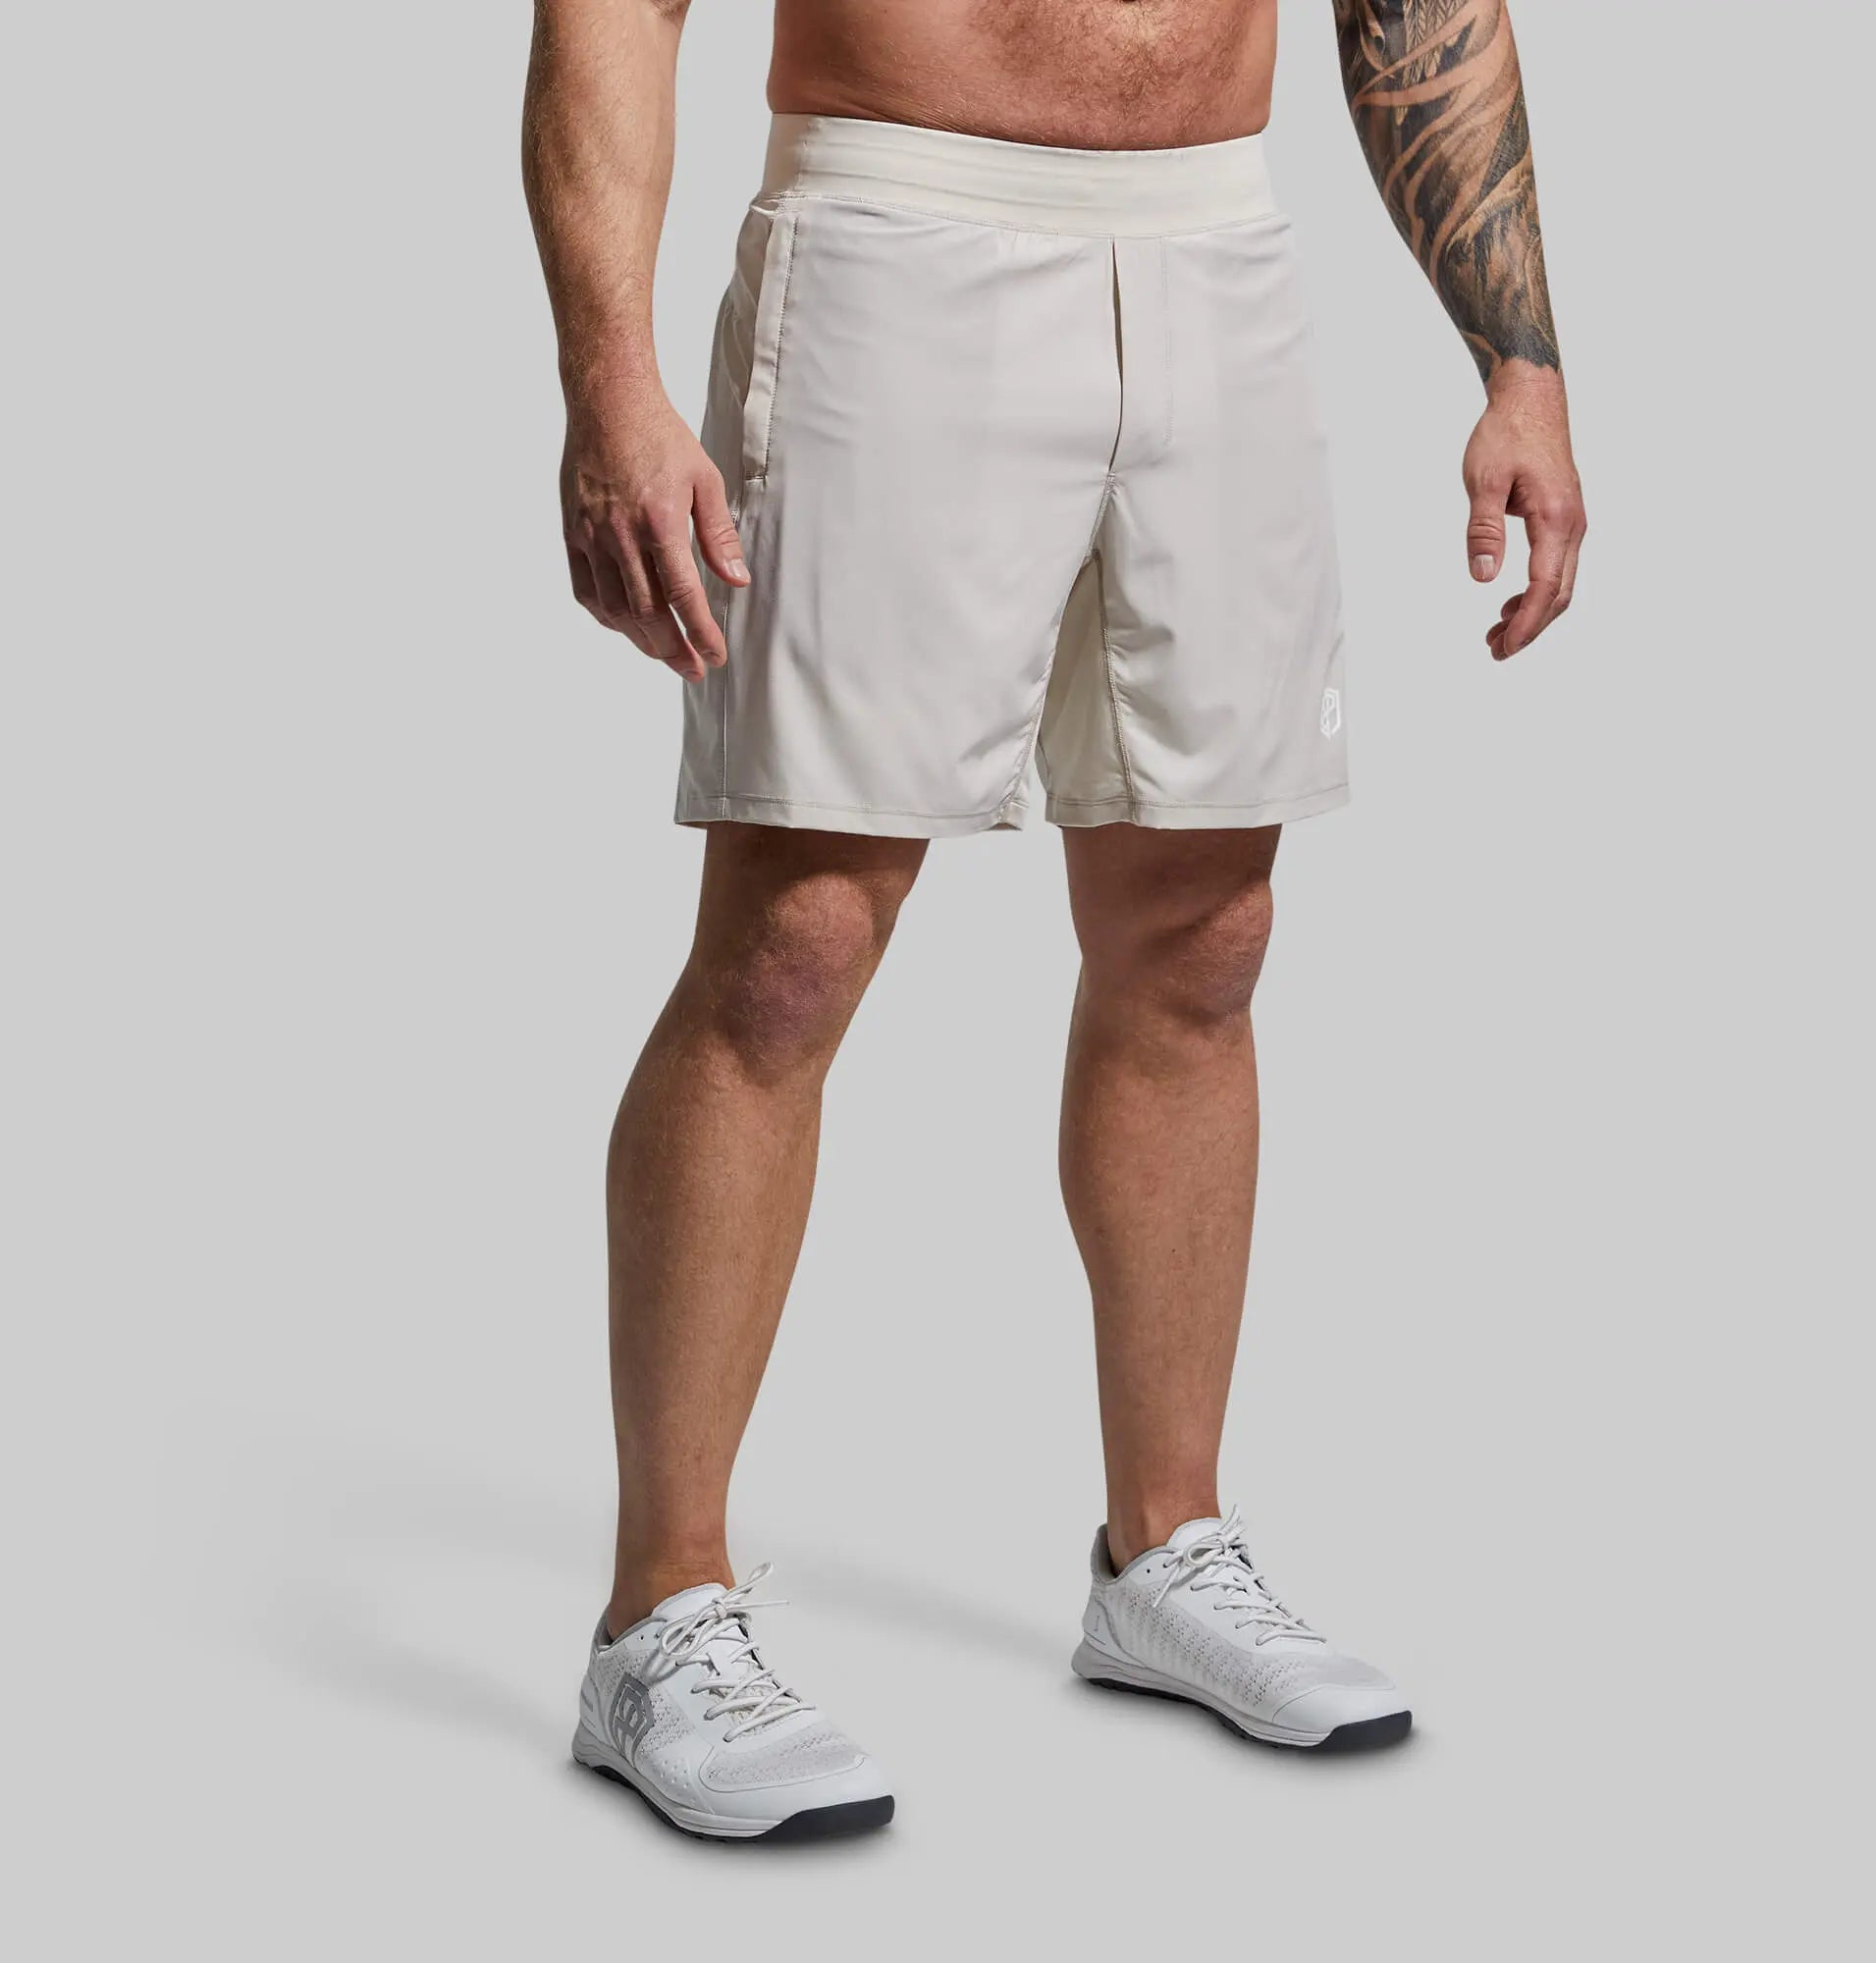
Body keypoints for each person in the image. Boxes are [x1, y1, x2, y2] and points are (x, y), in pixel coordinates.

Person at [522, 0, 1584, 1840]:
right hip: (894, 233)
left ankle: (1163, 1552)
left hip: (1215, 252)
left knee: (1204, 934)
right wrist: (609, 379)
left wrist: (1520, 361)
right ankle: (658, 1618)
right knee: (793, 948)